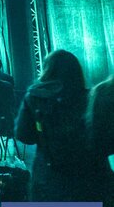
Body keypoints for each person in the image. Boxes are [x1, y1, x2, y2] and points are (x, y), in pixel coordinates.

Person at [16, 50, 108, 203]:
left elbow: (24, 135)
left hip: (49, 176)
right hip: (92, 176)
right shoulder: (92, 97)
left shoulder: (34, 97)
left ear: (47, 70)